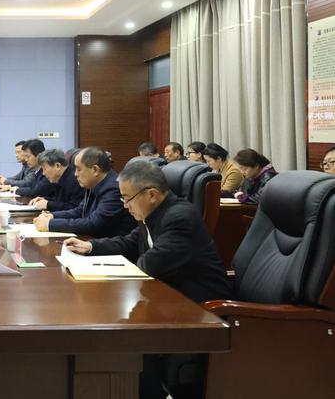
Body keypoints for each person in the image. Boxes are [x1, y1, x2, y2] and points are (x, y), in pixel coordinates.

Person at [62, 161, 232, 399]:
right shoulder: (154, 212)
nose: (125, 205)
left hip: (198, 305)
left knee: (120, 332)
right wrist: (91, 247)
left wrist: (104, 273)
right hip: (168, 295)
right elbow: (132, 242)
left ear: (151, 194)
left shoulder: (180, 217)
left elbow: (149, 265)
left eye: (127, 198)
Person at [33, 147, 136, 237]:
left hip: (113, 247)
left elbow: (93, 224)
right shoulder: (93, 183)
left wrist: (51, 224)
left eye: (78, 169)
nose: (75, 174)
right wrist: (53, 216)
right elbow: (80, 211)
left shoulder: (113, 189)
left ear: (95, 170)